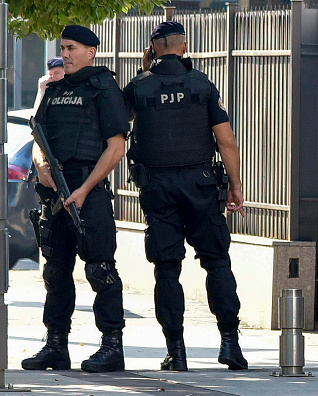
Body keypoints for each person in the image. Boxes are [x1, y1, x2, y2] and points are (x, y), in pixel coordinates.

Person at [123, 21, 248, 372]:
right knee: (217, 262)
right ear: (185, 46)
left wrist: (145, 70)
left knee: (167, 269)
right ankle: (230, 344)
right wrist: (235, 186)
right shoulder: (203, 85)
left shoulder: (139, 87)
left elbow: (121, 124)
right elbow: (227, 141)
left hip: (158, 188)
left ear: (152, 48)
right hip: (202, 185)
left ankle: (176, 352)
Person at [22, 25, 129, 373]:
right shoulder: (53, 91)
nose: (65, 54)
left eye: (71, 48)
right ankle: (56, 345)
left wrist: (84, 190)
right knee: (55, 272)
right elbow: (39, 139)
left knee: (100, 270)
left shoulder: (104, 88)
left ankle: (112, 346)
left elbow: (116, 148)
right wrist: (42, 167)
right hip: (55, 194)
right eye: (63, 48)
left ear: (91, 51)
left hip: (89, 192)